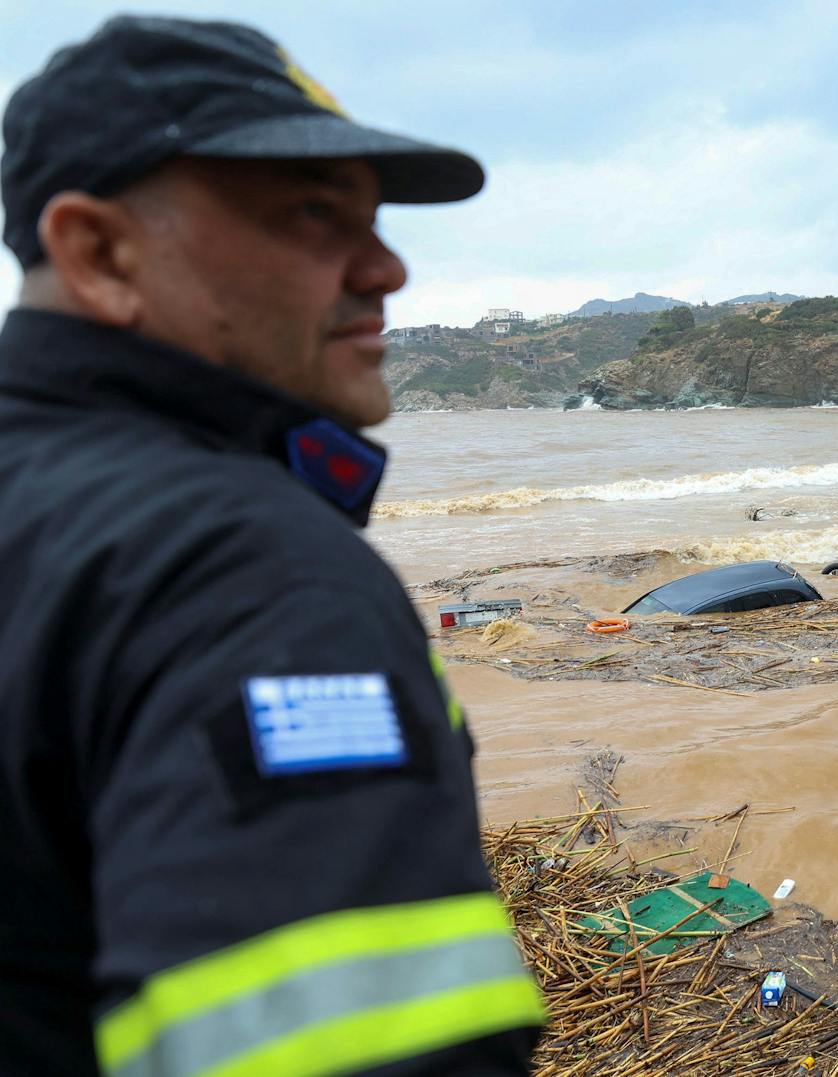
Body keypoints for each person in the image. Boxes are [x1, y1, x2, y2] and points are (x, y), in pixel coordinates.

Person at [0, 17, 546, 1076]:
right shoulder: (246, 574)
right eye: (312, 213)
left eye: (373, 218)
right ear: (100, 252)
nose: (386, 267)